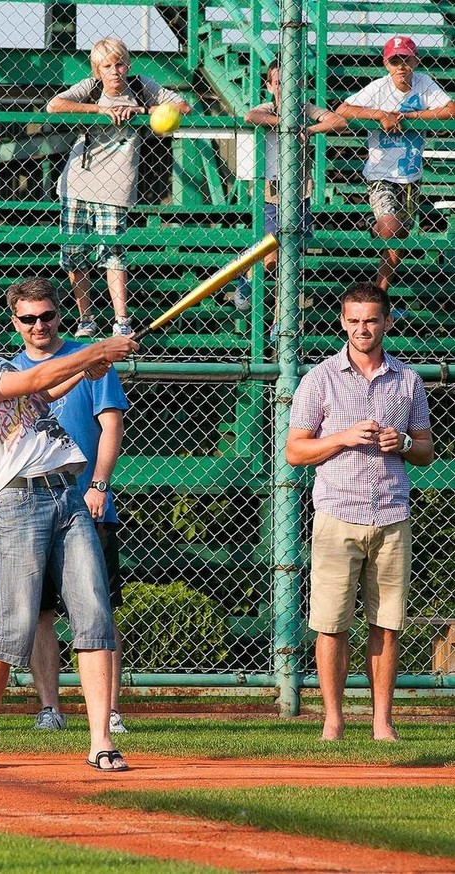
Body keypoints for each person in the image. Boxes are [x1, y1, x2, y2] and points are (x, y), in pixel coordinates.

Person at [0, 294, 138, 770]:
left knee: (94, 614)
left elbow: (39, 393)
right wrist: (94, 352)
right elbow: (33, 376)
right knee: (12, 627)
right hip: (17, 500)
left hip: (68, 493)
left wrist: (83, 371)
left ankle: (101, 742)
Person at [286, 282, 433, 741]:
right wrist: (342, 438)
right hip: (337, 513)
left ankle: (382, 722)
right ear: (342, 322)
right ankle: (333, 719)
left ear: (387, 322)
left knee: (386, 624)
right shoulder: (319, 379)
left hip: (391, 514)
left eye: (371, 319)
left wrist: (404, 443)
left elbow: (427, 450)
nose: (362, 328)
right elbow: (295, 450)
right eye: (354, 320)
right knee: (331, 625)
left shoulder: (408, 380)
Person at [6, 278, 129, 734]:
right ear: (15, 322)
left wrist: (99, 483)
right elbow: (2, 445)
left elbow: (111, 425)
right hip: (26, 504)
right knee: (39, 612)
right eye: (29, 318)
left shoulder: (92, 360)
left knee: (98, 608)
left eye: (48, 315)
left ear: (60, 314)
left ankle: (110, 711)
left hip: (86, 501)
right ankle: (48, 707)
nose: (40, 325)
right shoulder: (10, 371)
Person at [47, 37, 191, 339]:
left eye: (120, 63)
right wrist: (99, 110)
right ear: (97, 70)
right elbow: (54, 105)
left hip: (116, 188)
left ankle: (121, 320)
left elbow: (183, 106)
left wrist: (139, 109)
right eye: (107, 66)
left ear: (128, 64)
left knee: (114, 254)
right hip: (79, 182)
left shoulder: (140, 85)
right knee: (76, 253)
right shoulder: (91, 88)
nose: (115, 71)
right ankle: (86, 317)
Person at [336, 37, 455, 291]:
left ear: (416, 60)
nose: (401, 66)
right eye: (395, 61)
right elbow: (343, 109)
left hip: (410, 177)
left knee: (399, 236)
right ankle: (374, 226)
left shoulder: (423, 83)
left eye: (406, 59)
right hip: (382, 174)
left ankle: (381, 290)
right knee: (390, 229)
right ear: (386, 64)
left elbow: (450, 109)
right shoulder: (379, 88)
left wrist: (409, 116)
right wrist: (380, 114)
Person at [234, 59, 347, 313]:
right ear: (270, 86)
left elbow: (338, 121)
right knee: (273, 254)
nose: (285, 87)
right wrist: (285, 125)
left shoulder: (304, 108)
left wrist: (309, 128)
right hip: (270, 194)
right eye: (278, 83)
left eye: (292, 82)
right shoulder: (268, 108)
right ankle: (247, 274)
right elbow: (250, 115)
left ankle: (279, 320)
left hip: (298, 193)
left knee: (290, 258)